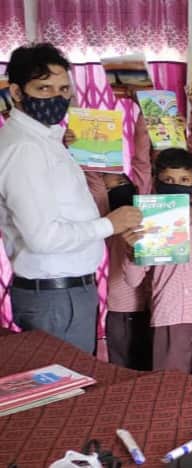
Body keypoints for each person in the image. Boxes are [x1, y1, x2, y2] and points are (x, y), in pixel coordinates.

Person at [0, 43, 142, 352]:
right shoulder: (26, 149)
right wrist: (109, 225)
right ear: (17, 92)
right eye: (44, 87)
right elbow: (43, 238)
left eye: (64, 88)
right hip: (55, 297)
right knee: (68, 392)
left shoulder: (45, 140)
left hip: (64, 294)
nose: (57, 96)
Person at [122, 148, 192, 388]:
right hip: (169, 315)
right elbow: (132, 280)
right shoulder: (147, 223)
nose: (177, 186)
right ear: (157, 182)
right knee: (170, 386)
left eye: (183, 180)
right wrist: (132, 252)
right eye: (168, 180)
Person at [84, 109, 155, 369]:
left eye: (121, 178)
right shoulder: (107, 216)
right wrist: (82, 134)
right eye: (109, 181)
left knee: (153, 368)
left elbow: (142, 163)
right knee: (124, 369)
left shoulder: (145, 206)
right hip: (122, 310)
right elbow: (93, 176)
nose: (117, 182)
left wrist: (143, 116)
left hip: (155, 304)